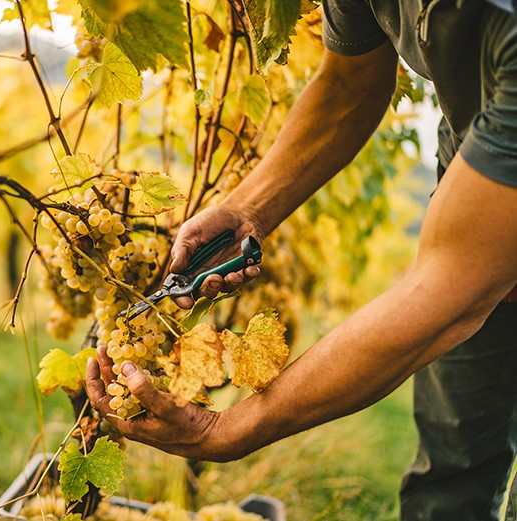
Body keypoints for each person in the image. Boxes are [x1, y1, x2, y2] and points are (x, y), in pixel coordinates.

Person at [85, 1, 517, 519]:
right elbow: (349, 82)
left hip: (490, 191)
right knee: (453, 464)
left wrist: (228, 429)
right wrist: (249, 208)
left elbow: (446, 295)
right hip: (479, 170)